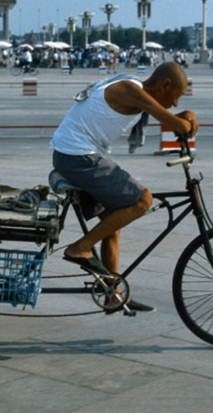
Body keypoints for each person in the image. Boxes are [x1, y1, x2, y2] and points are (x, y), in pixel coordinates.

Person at [50, 62, 198, 313]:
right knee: (143, 199)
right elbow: (174, 122)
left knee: (113, 220)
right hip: (78, 157)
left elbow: (170, 117)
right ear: (165, 85)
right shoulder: (131, 90)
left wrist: (183, 116)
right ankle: (80, 248)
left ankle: (113, 295)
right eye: (177, 96)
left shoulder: (136, 89)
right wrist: (187, 118)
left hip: (73, 155)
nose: (175, 103)